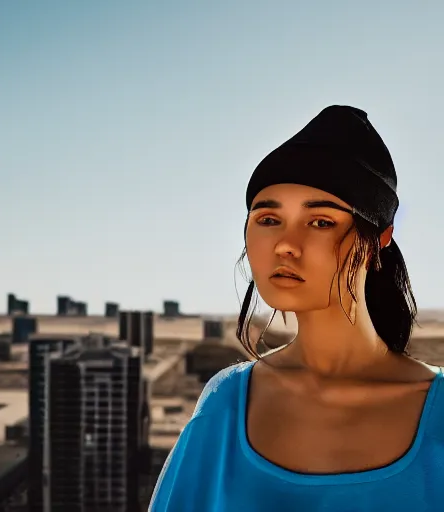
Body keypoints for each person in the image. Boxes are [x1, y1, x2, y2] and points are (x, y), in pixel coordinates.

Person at [148, 106, 444, 511]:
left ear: (381, 239)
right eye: (268, 218)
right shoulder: (227, 403)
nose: (285, 244)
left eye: (320, 222)